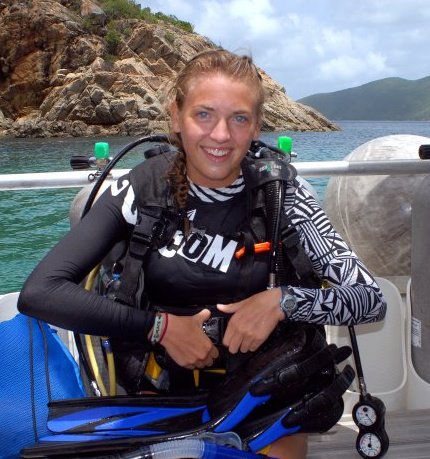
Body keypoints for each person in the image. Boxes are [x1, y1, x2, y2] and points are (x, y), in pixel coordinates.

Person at [18, 49, 387, 459]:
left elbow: (370, 299)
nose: (221, 135)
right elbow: (40, 292)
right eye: (204, 115)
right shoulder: (142, 190)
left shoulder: (283, 195)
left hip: (261, 397)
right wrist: (160, 328)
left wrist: (281, 302)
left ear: (257, 126)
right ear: (176, 117)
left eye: (239, 119)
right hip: (158, 398)